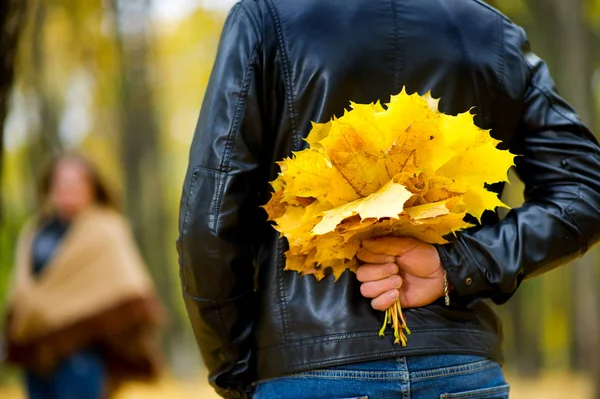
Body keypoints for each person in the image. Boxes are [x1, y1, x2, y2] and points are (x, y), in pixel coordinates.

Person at [176, 1, 600, 398]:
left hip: (309, 371)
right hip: (462, 367)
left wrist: (236, 369)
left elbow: (211, 220)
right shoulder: (494, 31)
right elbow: (586, 189)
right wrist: (459, 266)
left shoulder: (266, 16)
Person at [3, 154, 165, 399]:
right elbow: (24, 288)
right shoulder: (34, 230)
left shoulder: (107, 230)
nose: (69, 189)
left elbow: (128, 288)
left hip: (82, 357)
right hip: (36, 356)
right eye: (62, 182)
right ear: (51, 186)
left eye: (77, 182)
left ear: (92, 187)